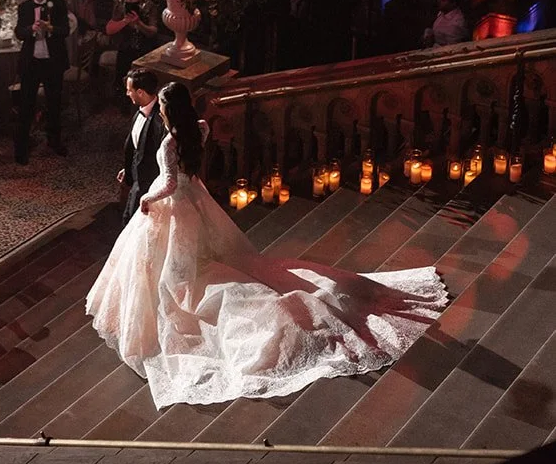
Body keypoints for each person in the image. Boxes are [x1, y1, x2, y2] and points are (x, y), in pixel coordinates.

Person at [85, 81, 448, 408]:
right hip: (197, 200)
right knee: (212, 255)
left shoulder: (169, 142)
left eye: (163, 110)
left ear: (169, 112)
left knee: (176, 274)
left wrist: (147, 201)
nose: (161, 115)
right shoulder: (200, 129)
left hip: (177, 205)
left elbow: (167, 183)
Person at [14, 0, 70, 165]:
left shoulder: (59, 4)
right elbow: (19, 33)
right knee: (26, 105)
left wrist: (50, 28)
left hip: (52, 62)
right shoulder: (25, 7)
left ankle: (54, 141)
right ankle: (22, 147)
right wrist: (31, 29)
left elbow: (66, 30)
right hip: (32, 62)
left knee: (54, 103)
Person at [118, 68, 165, 223]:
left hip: (149, 183)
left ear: (140, 92)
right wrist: (129, 168)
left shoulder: (160, 120)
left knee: (134, 222)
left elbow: (160, 156)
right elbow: (135, 145)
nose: (127, 94)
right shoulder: (139, 110)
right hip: (137, 178)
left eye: (129, 90)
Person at [106, 0, 160, 88]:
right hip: (125, 51)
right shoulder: (121, 2)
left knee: (142, 86)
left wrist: (139, 23)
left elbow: (153, 32)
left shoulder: (150, 4)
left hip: (145, 52)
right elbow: (109, 30)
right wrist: (125, 21)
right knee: (122, 84)